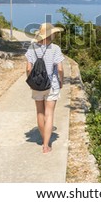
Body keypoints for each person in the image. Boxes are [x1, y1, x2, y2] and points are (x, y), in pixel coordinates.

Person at [25, 23, 65, 154]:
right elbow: (59, 69)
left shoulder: (32, 48)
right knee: (50, 114)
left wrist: (32, 82)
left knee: (40, 112)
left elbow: (28, 68)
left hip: (37, 85)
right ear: (51, 34)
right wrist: (61, 81)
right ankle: (46, 145)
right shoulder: (55, 48)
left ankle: (43, 138)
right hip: (51, 85)